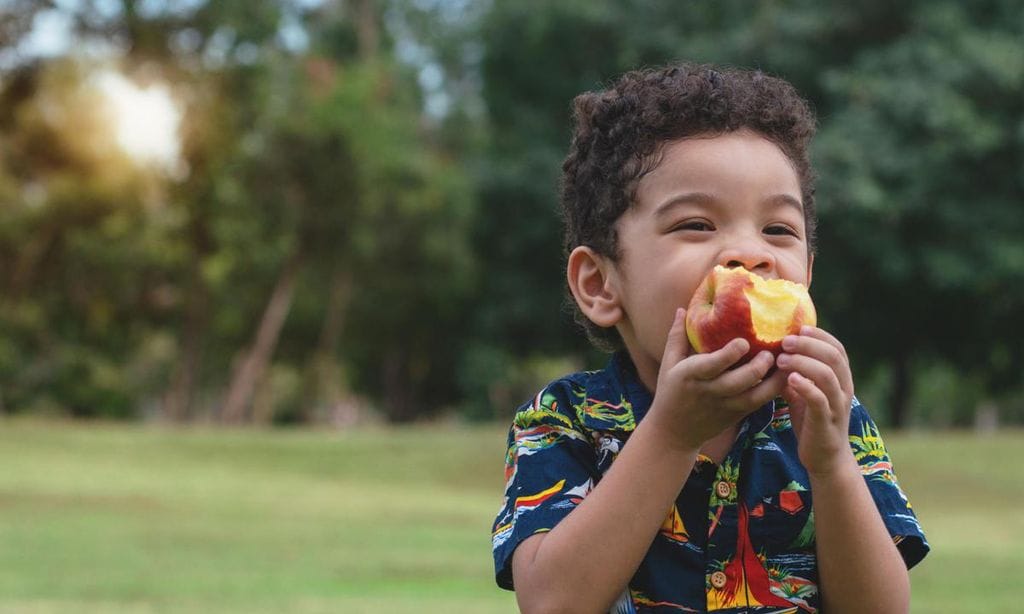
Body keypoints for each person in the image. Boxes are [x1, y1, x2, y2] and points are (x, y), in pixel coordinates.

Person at [491, 63, 928, 613]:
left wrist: (833, 463)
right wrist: (674, 434)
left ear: (807, 275)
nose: (750, 253)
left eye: (778, 230)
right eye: (696, 224)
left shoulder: (831, 421)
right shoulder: (564, 421)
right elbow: (552, 604)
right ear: (600, 283)